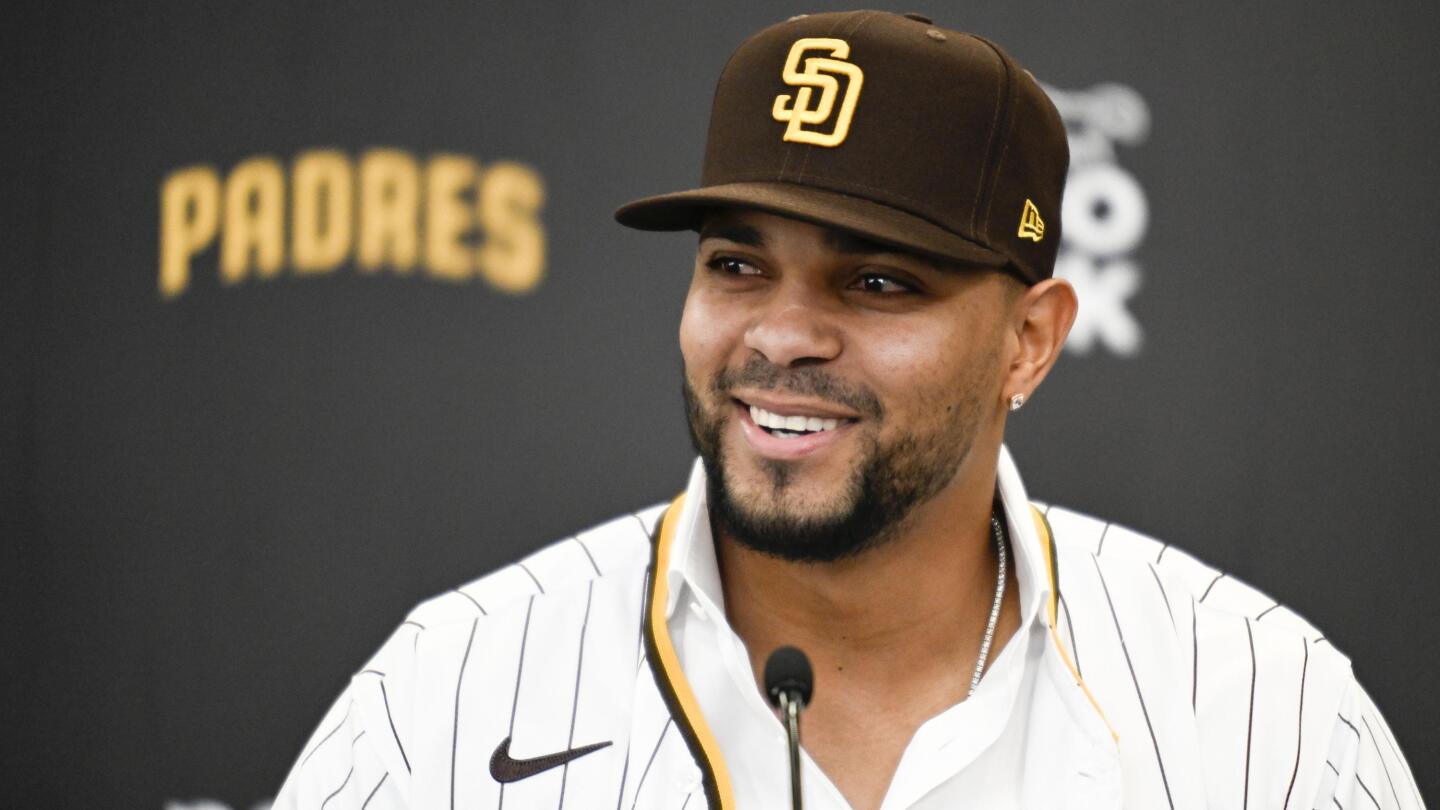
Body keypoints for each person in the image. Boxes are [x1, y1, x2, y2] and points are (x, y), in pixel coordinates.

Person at [273, 11, 1422, 809]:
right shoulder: (448, 689)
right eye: (735, 267)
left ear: (1030, 340)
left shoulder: (1267, 710)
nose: (779, 334)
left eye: (878, 282)